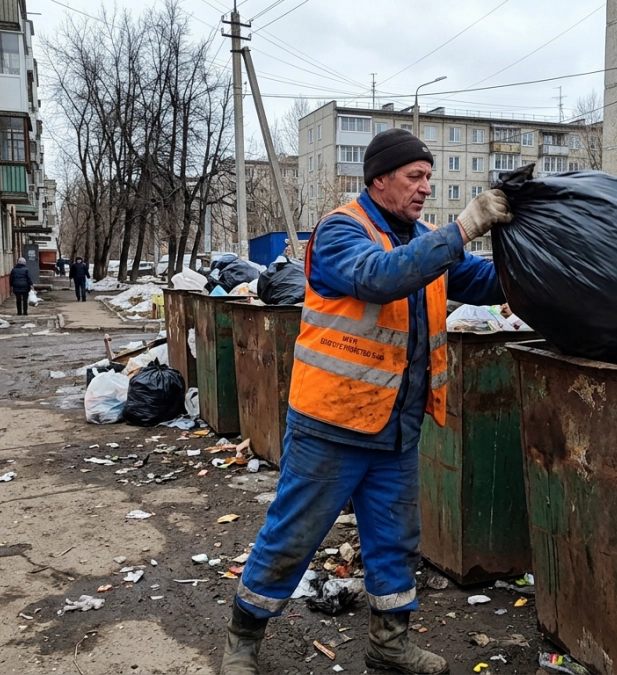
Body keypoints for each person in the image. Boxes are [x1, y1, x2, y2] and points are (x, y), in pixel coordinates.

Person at [220, 129, 512, 675]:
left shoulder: (421, 240)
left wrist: (536, 256)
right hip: (331, 423)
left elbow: (486, 281)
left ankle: (389, 646)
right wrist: (467, 225)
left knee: (394, 542)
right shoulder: (339, 233)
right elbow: (378, 280)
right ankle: (242, 642)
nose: (426, 186)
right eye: (414, 177)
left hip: (396, 428)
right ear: (379, 179)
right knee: (293, 534)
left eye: (429, 177)